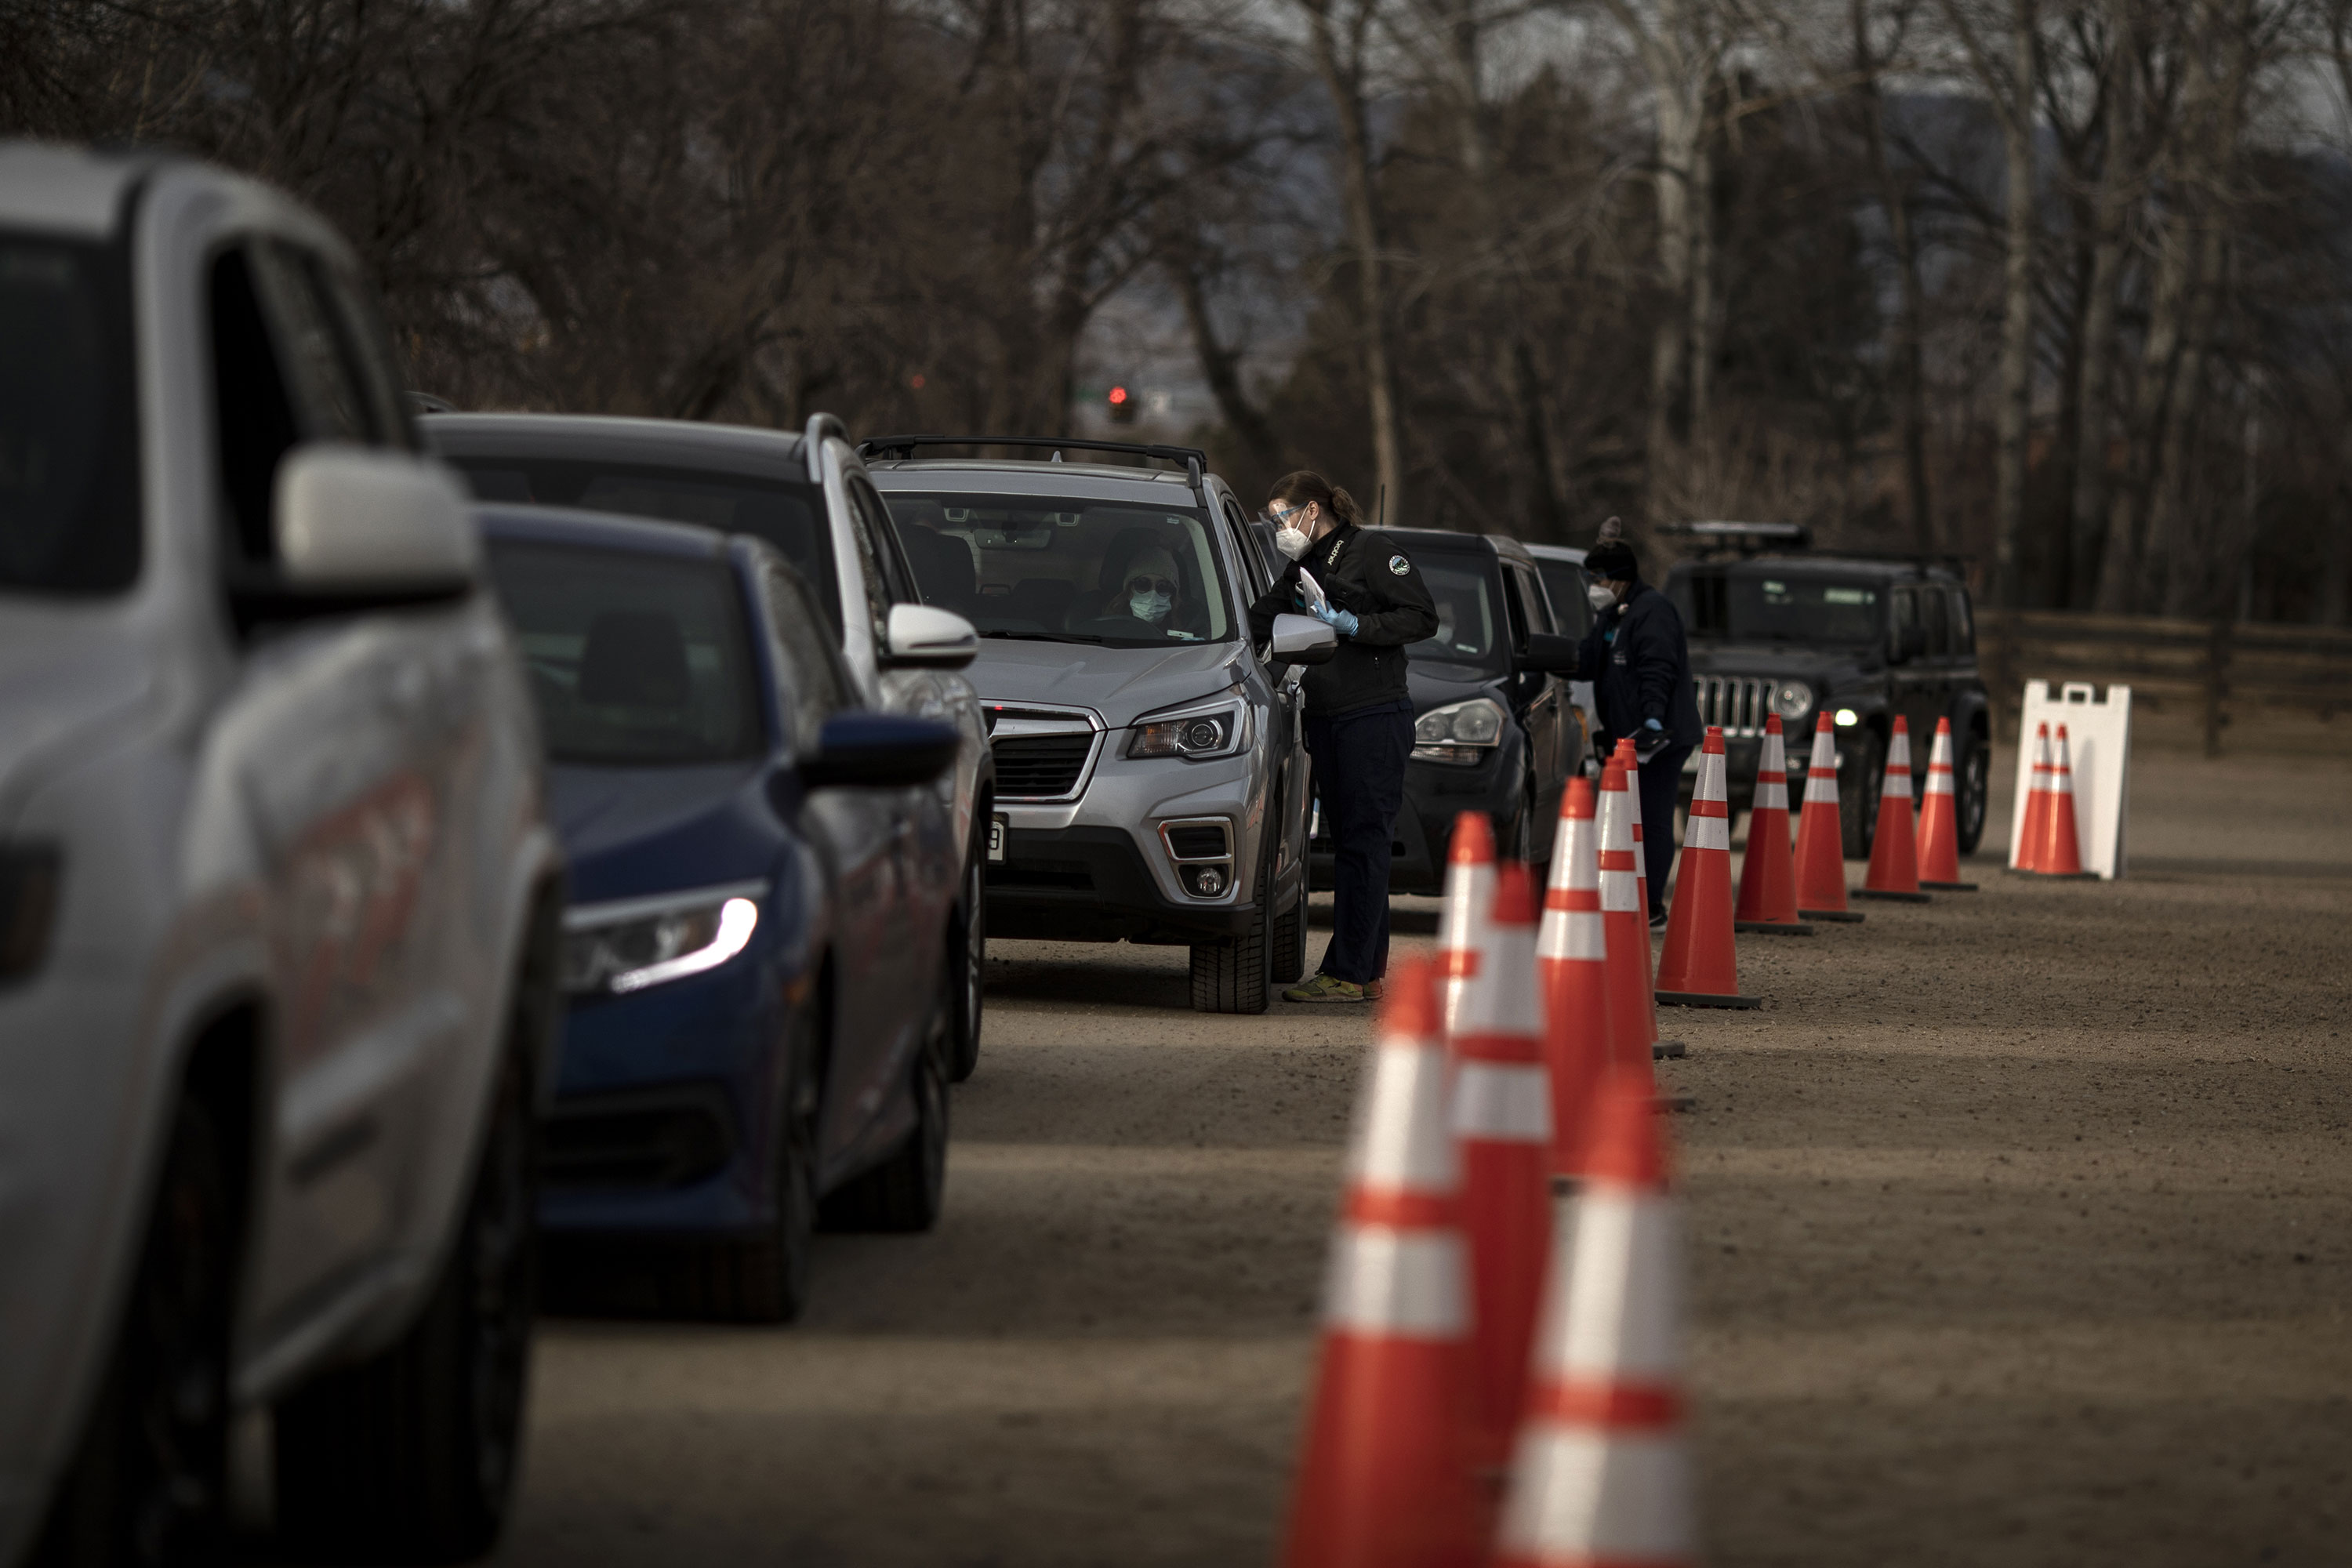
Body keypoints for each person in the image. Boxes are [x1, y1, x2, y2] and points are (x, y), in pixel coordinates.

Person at [1247, 470, 1438, 1003]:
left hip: (1372, 716)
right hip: (1330, 717)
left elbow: (1422, 617)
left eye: (1282, 516)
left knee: (1363, 846)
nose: (1278, 526)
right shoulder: (1301, 566)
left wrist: (1357, 625)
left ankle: (1348, 973)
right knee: (1357, 847)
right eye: (1272, 519)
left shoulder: (1372, 551)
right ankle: (1366, 971)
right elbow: (1260, 620)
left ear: (1313, 509)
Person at [1575, 534, 1702, 927]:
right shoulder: (1614, 614)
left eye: (1599, 578)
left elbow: (1657, 670)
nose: (1594, 588)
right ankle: (1627, 898)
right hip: (1629, 738)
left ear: (1619, 578)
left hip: (1658, 738)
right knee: (1626, 818)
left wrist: (1652, 720)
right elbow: (1589, 661)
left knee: (1651, 819)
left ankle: (1650, 907)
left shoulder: (1653, 612)